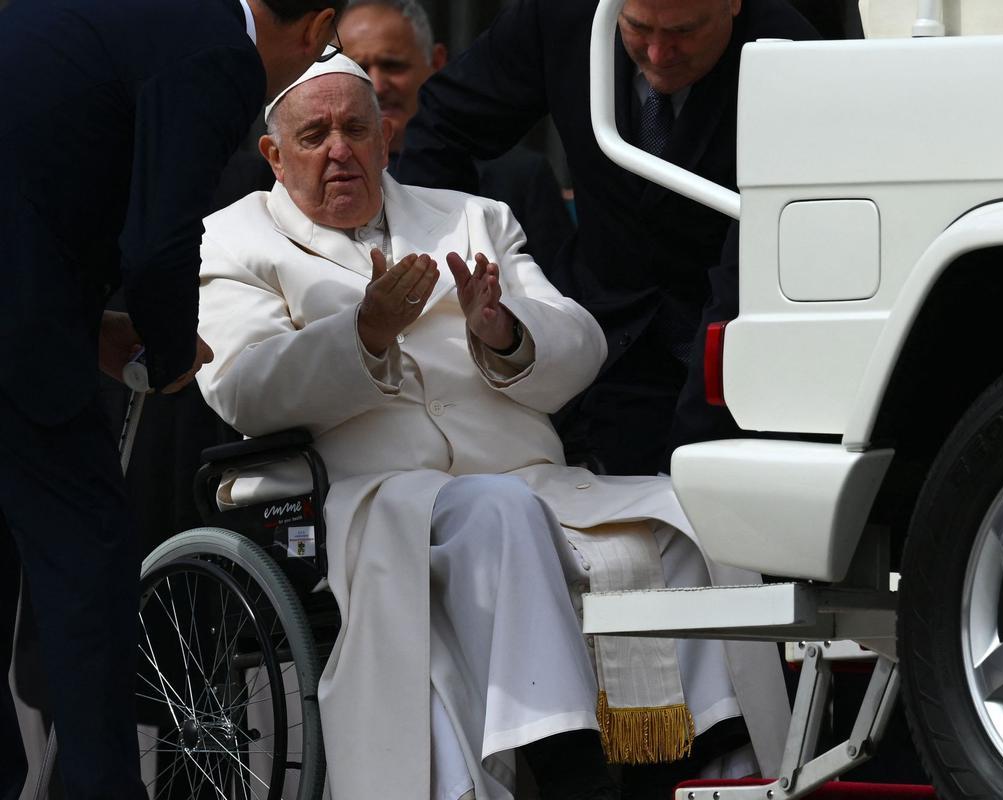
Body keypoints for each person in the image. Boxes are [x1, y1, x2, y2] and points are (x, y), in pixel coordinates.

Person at [196, 56, 789, 800]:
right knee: (497, 514)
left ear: (387, 140)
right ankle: (569, 761)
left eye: (355, 129)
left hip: (529, 479)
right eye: (314, 135)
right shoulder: (231, 241)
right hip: (371, 498)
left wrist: (505, 329)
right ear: (274, 157)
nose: (339, 150)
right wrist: (364, 334)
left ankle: (710, 755)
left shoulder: (473, 217)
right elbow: (243, 388)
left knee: (686, 513)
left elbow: (582, 343)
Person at [0, 0, 341, 797]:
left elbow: (43, 170)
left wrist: (94, 333)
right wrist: (166, 345)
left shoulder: (135, 15)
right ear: (318, 26)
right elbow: (158, 233)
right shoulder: (218, 52)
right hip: (20, 310)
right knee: (89, 556)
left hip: (29, 293)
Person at [393, 0, 819, 475]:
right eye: (638, 28)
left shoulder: (791, 55)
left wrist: (700, 441)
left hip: (735, 352)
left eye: (684, 31)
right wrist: (450, 276)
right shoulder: (562, 16)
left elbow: (758, 258)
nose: (659, 53)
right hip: (604, 341)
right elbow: (444, 125)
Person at [339, 0, 574, 272]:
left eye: (393, 66)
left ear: (437, 61)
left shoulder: (521, 177)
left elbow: (560, 302)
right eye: (359, 69)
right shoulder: (320, 183)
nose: (377, 86)